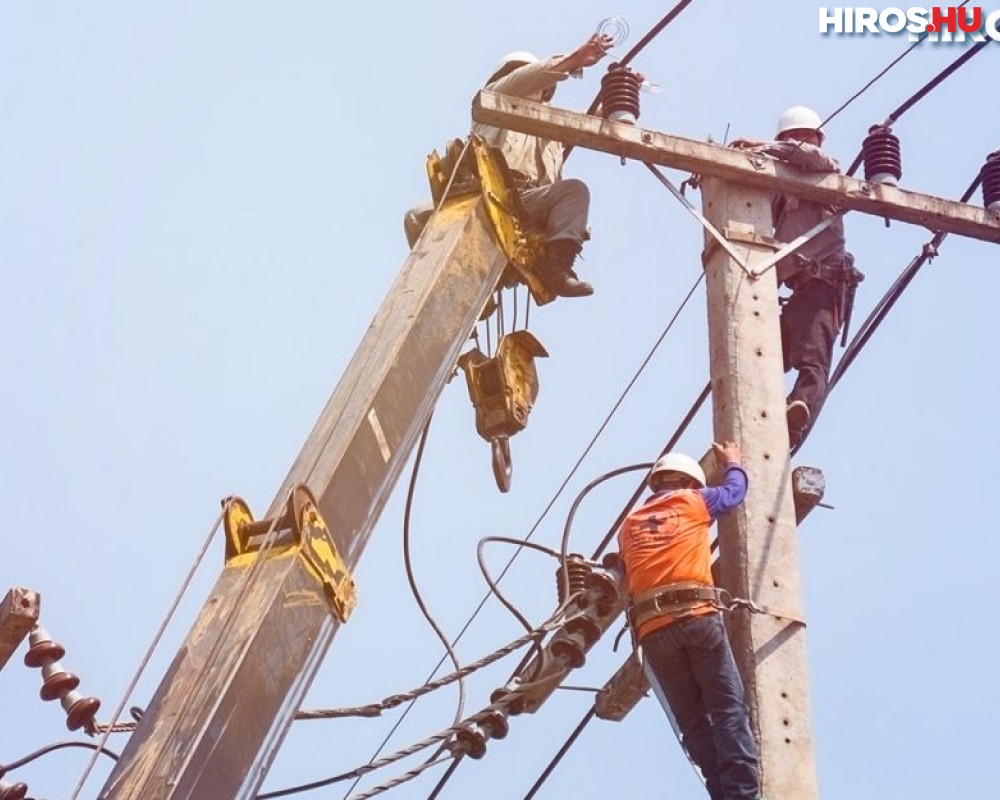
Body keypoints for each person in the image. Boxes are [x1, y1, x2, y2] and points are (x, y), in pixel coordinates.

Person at [405, 34, 613, 298]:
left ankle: (556, 270)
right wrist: (574, 60)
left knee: (574, 191)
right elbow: (529, 77)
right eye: (519, 74)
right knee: (416, 215)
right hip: (489, 197)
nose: (528, 81)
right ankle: (450, 283)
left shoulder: (552, 128)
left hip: (527, 206)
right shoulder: (494, 99)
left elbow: (591, 122)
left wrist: (622, 92)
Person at [617, 443, 759, 800]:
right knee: (727, 707)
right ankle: (741, 793)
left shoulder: (629, 526)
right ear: (688, 483)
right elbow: (734, 493)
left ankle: (721, 792)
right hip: (696, 618)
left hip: (653, 632)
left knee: (694, 722)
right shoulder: (692, 502)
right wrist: (734, 462)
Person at [731, 106, 864, 446]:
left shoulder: (825, 170)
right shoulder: (778, 190)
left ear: (814, 139)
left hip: (824, 285)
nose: (796, 143)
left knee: (812, 359)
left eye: (800, 137)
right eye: (789, 138)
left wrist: (761, 147)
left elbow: (807, 156)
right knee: (759, 350)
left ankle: (799, 408)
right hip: (797, 291)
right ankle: (768, 417)